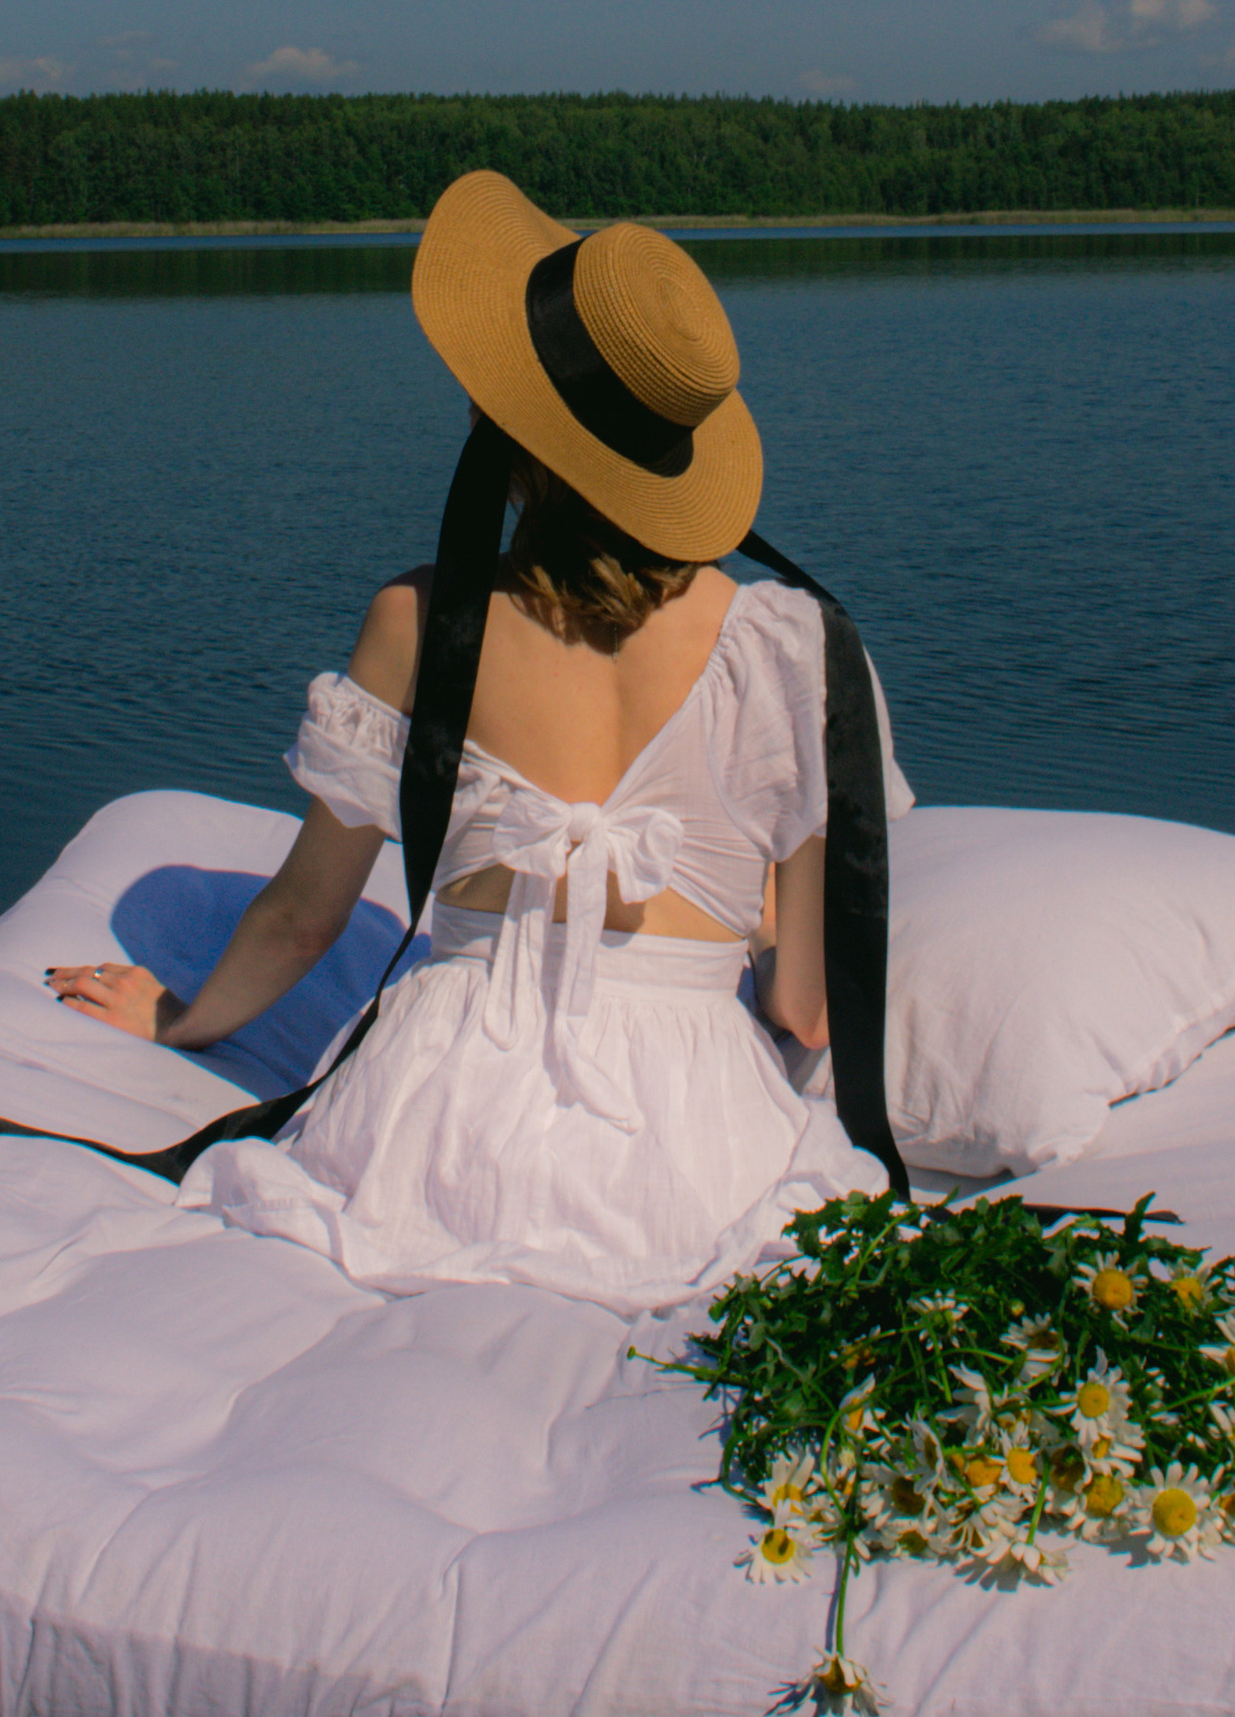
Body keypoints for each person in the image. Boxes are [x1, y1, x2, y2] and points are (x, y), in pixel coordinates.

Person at [45, 169, 912, 1316]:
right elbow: (806, 1010)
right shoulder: (801, 650)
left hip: (435, 1124)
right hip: (685, 1152)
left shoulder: (418, 623)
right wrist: (725, 924)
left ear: (504, 425)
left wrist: (180, 1017)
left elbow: (306, 916)